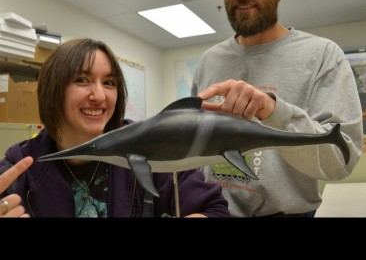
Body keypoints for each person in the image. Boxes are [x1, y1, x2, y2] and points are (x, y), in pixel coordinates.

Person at [191, 0, 363, 217]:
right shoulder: (208, 61)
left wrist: (273, 112)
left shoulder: (323, 55)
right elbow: (195, 149)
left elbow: (342, 159)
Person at [0, 38, 230, 217]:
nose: (99, 96)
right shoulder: (18, 169)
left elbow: (215, 209)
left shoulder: (150, 146)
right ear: (53, 89)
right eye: (82, 80)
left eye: (109, 83)